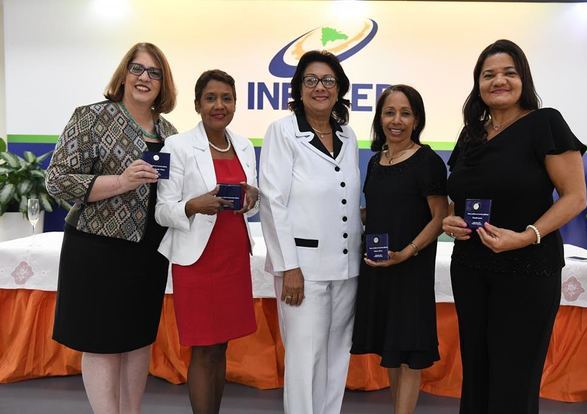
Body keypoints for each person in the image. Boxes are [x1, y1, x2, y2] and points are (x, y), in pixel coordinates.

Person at [442, 39, 587, 414]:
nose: (498, 81)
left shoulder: (545, 123)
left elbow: (575, 197)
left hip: (527, 269)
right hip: (471, 267)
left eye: (509, 72)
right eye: (488, 75)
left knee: (515, 376)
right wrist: (451, 220)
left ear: (524, 78)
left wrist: (527, 236)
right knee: (476, 370)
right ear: (478, 84)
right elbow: (460, 196)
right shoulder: (471, 133)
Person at [45, 42, 177, 413]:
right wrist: (121, 181)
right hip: (97, 247)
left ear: (163, 83)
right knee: (102, 342)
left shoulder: (170, 130)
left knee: (138, 341)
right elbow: (57, 180)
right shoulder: (90, 117)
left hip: (150, 250)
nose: (144, 78)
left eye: (154, 72)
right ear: (123, 74)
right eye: (137, 69)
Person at [259, 50, 362, 414]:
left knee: (337, 356)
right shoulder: (283, 132)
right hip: (303, 270)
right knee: (305, 362)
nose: (320, 87)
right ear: (299, 88)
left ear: (340, 89)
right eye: (312, 80)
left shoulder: (347, 135)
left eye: (328, 81)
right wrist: (289, 267)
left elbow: (344, 198)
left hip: (346, 269)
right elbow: (272, 203)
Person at [155, 69, 259, 414]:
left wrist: (252, 196)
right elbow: (162, 210)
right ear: (198, 104)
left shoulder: (244, 145)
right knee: (202, 348)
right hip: (197, 262)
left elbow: (251, 196)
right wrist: (192, 205)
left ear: (235, 104)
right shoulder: (176, 146)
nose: (219, 105)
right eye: (211, 98)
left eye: (226, 98)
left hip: (232, 256)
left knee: (221, 347)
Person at [351, 84, 448, 414]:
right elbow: (377, 209)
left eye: (405, 113)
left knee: (409, 353)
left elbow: (440, 216)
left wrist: (408, 251)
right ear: (379, 118)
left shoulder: (428, 162)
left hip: (410, 269)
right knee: (390, 348)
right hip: (379, 268)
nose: (396, 120)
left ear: (417, 119)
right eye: (389, 112)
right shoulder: (376, 162)